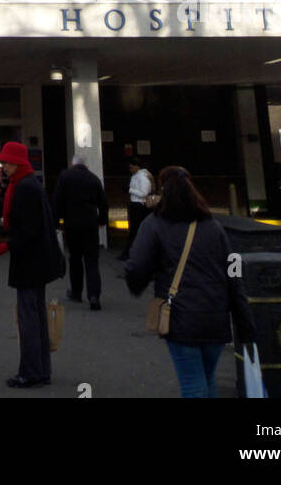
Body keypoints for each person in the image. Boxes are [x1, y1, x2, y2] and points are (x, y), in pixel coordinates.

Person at [124, 165, 256, 399]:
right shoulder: (214, 227)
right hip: (216, 316)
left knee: (193, 385)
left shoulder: (154, 224)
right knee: (206, 380)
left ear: (164, 190)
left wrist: (139, 281)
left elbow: (136, 267)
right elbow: (233, 276)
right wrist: (244, 322)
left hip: (181, 317)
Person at [0, 140, 64, 389]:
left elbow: (28, 230)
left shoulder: (24, 188)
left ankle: (31, 372)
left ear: (17, 162)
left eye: (6, 163)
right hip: (38, 260)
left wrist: (5, 246)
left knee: (28, 318)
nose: (3, 167)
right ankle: (41, 370)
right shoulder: (29, 184)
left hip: (30, 262)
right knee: (36, 316)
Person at [52, 153, 108, 310]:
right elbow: (103, 203)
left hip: (72, 225)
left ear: (72, 164)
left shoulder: (65, 177)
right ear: (87, 166)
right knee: (92, 261)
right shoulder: (94, 179)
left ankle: (76, 292)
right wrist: (102, 220)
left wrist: (55, 222)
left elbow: (57, 200)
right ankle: (94, 295)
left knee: (75, 259)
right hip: (90, 225)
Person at [119, 158, 153, 260]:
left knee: (135, 230)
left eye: (131, 167)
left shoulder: (142, 177)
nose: (130, 169)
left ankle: (129, 252)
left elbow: (144, 193)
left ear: (136, 166)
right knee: (134, 230)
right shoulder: (135, 176)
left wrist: (130, 190)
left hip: (140, 206)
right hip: (135, 205)